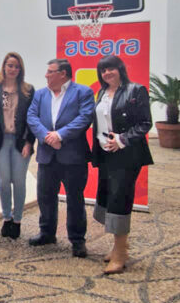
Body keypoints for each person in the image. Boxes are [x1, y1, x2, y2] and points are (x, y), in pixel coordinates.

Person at [27, 58, 95, 257]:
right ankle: (47, 233)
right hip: (47, 156)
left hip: (73, 156)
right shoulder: (40, 94)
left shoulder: (83, 92)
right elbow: (32, 117)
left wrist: (60, 135)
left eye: (50, 71)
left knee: (75, 199)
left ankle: (77, 240)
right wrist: (48, 137)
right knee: (45, 196)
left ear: (63, 74)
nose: (46, 75)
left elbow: (85, 117)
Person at [91, 54, 153, 275]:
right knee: (108, 198)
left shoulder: (136, 90)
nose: (107, 73)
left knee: (120, 200)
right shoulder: (101, 93)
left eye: (111, 69)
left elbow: (145, 123)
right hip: (106, 155)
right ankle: (120, 247)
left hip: (126, 156)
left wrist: (121, 140)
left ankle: (119, 255)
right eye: (103, 70)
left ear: (120, 69)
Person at [0, 52, 35, 240]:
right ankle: (6, 218)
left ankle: (17, 220)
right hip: (1, 142)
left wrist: (29, 142)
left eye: (16, 66)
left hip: (20, 142)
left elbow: (33, 119)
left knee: (18, 181)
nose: (13, 69)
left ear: (21, 69)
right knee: (3, 182)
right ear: (4, 67)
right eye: (10, 65)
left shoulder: (28, 90)